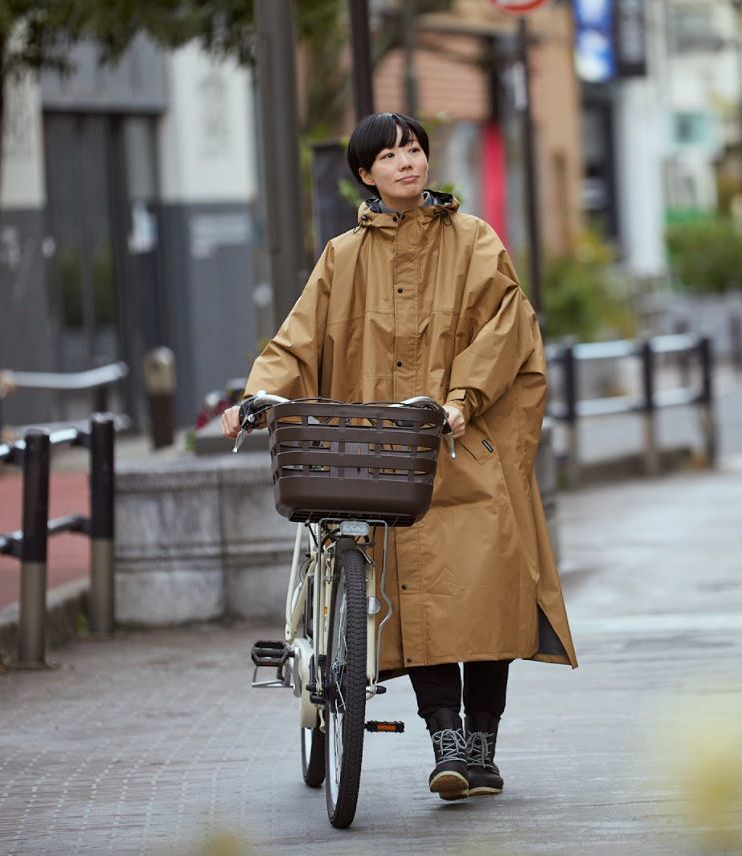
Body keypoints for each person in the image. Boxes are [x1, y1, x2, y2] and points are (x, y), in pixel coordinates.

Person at [221, 112, 577, 802]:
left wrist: (462, 399)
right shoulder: (342, 258)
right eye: (389, 156)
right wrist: (258, 394)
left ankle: (483, 745)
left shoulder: (475, 241)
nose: (407, 163)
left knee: (486, 595)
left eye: (413, 149)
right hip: (387, 460)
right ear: (366, 175)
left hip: (464, 445)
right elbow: (297, 340)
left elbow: (507, 328)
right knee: (419, 600)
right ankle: (445, 742)